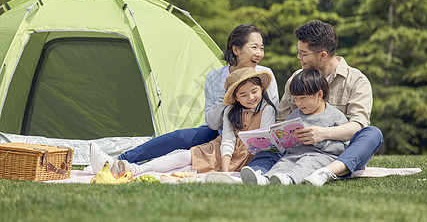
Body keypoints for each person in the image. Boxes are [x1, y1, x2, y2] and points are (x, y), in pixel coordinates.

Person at [89, 24, 279, 174]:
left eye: (261, 48)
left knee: (189, 159)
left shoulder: (265, 75)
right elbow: (212, 124)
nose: (259, 54)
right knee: (180, 136)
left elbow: (272, 113)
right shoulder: (215, 77)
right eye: (254, 47)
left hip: (251, 138)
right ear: (236, 50)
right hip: (222, 130)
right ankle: (119, 160)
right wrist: (228, 96)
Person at [241, 19, 383, 186]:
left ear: (322, 55)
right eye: (298, 51)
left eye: (303, 53)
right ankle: (260, 174)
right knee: (270, 146)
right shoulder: (296, 78)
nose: (298, 57)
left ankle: (328, 172)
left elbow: (358, 125)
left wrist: (323, 134)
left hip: (334, 152)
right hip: (296, 150)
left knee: (373, 134)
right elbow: (281, 120)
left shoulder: (356, 80)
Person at [91, 68, 277, 175]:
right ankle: (132, 168)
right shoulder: (230, 110)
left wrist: (227, 172)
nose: (251, 97)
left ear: (261, 89)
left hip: (247, 154)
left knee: (187, 169)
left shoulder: (266, 110)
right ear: (235, 98)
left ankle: (133, 169)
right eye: (243, 95)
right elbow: (227, 141)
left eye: (254, 91)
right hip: (222, 150)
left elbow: (261, 140)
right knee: (185, 156)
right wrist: (225, 167)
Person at [246, 68, 349, 185]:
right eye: (296, 98)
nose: (299, 103)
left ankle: (289, 179)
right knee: (283, 163)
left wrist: (319, 142)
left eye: (303, 98)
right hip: (294, 154)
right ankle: (266, 179)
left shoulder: (335, 115)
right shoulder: (295, 114)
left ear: (319, 94)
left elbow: (344, 147)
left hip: (320, 156)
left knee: (306, 163)